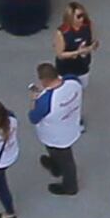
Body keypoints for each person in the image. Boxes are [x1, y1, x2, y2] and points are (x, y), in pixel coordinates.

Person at [27, 60, 83, 196]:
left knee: (67, 161)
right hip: (71, 126)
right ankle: (56, 166)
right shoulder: (73, 82)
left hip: (54, 135)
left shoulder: (45, 101)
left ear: (44, 80)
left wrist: (34, 99)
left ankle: (70, 187)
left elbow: (33, 118)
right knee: (60, 155)